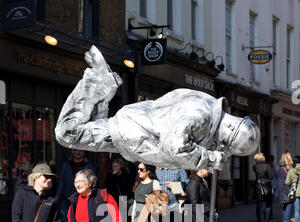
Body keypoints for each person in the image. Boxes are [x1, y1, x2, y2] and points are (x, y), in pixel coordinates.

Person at [55, 46, 260, 174]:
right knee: (67, 133)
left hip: (137, 132)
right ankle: (96, 81)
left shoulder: (207, 103)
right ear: (229, 133)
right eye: (225, 144)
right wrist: (211, 159)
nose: (220, 147)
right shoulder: (202, 116)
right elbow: (176, 146)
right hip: (135, 133)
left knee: (87, 129)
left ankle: (104, 87)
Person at [55, 149, 94, 222]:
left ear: (84, 152)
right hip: (66, 197)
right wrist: (57, 196)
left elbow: (92, 181)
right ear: (72, 151)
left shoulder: (88, 165)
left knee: (79, 219)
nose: (78, 152)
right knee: (64, 219)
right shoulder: (66, 164)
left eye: (80, 150)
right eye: (76, 150)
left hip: (82, 197)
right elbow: (61, 180)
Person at [273, 152, 295, 222]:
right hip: (287, 186)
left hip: (280, 187)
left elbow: (276, 177)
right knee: (289, 203)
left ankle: (285, 219)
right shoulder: (289, 167)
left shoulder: (277, 167)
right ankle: (287, 220)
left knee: (284, 204)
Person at [253, 152, 273, 222]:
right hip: (267, 186)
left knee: (259, 205)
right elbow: (271, 176)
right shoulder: (267, 165)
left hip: (258, 186)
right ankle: (266, 220)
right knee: (268, 204)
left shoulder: (254, 166)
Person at [286, 155, 300, 222]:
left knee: (297, 210)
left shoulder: (291, 170)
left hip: (296, 193)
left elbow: (287, 182)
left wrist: (292, 185)